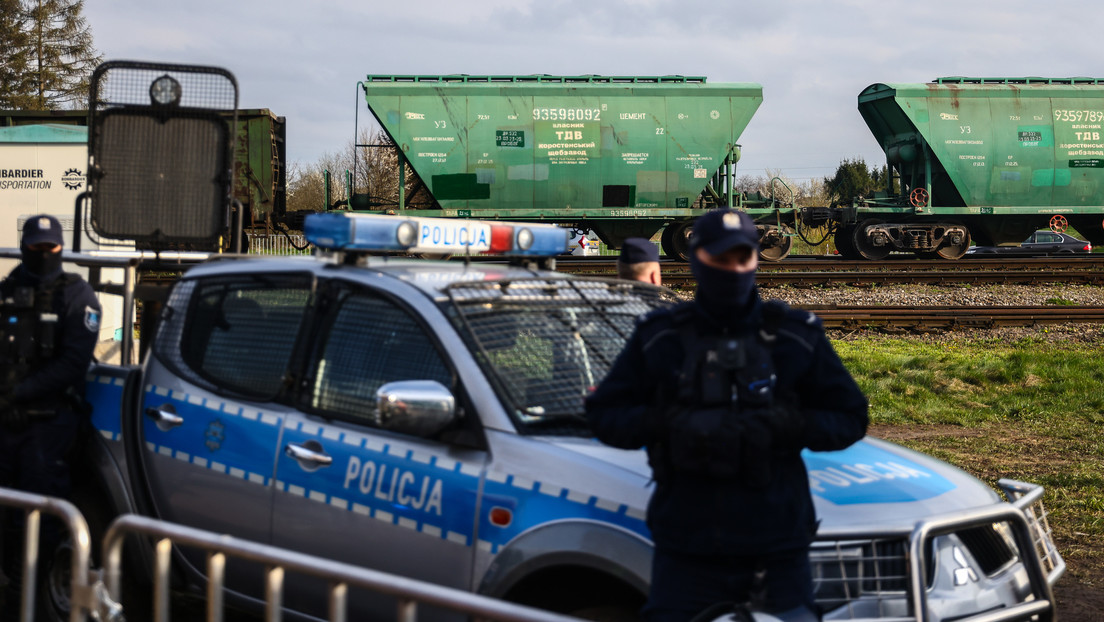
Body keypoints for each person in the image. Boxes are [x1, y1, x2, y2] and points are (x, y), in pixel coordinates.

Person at [585, 208, 868, 622]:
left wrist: (787, 425)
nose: (734, 270)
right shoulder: (662, 337)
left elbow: (850, 417)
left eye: (743, 258)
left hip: (778, 548)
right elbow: (605, 415)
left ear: (756, 258)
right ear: (697, 258)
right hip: (689, 549)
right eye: (721, 259)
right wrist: (671, 422)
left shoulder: (793, 337)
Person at [0, 215, 101, 618]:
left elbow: (74, 363)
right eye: (36, 247)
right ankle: (12, 594)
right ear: (24, 245)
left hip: (50, 424)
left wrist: (20, 392)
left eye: (50, 248)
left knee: (43, 519)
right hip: (7, 422)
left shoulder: (78, 297)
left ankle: (37, 599)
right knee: (8, 518)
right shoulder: (7, 291)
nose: (43, 255)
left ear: (59, 247)